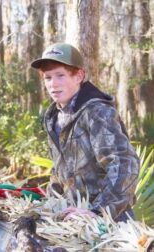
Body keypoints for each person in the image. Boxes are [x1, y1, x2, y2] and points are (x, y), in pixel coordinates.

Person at [31, 42, 140, 222]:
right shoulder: (54, 116)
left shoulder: (97, 112)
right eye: (48, 77)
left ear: (79, 76)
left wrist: (98, 213)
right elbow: (60, 173)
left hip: (110, 224)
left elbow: (124, 165)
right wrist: (49, 205)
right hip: (74, 220)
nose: (53, 84)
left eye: (60, 75)